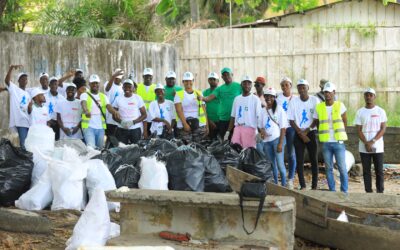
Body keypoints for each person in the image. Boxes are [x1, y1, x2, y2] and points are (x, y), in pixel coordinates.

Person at [314, 82, 348, 193]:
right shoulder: (319, 107)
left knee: (342, 168)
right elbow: (317, 122)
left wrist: (341, 134)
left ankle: (344, 192)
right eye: (325, 92)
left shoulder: (340, 105)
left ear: (334, 92)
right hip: (326, 143)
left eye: (329, 92)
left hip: (338, 142)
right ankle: (332, 191)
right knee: (328, 169)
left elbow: (344, 121)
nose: (327, 94)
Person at [288, 79, 319, 190]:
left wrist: (307, 131)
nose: (301, 90)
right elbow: (291, 120)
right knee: (299, 160)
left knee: (314, 160)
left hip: (311, 132)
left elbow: (316, 119)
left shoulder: (315, 100)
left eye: (303, 87)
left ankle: (314, 185)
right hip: (298, 132)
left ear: (308, 88)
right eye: (299, 87)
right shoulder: (293, 101)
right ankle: (303, 185)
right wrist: (301, 133)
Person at [355, 88, 387, 193]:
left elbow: (383, 128)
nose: (368, 97)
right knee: (366, 171)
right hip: (364, 147)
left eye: (371, 95)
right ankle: (368, 192)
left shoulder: (381, 111)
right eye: (366, 95)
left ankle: (380, 192)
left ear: (374, 97)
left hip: (377, 147)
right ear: (364, 97)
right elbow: (358, 130)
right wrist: (366, 143)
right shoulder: (360, 112)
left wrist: (372, 142)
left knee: (379, 171)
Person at [80, 74, 120, 149]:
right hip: (88, 127)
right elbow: (83, 104)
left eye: (96, 83)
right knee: (90, 148)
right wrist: (86, 111)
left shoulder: (103, 97)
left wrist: (115, 112)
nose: (95, 85)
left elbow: (109, 107)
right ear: (89, 84)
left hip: (100, 128)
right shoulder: (84, 95)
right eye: (93, 83)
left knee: (100, 149)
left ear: (99, 84)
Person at [202, 67, 241, 140]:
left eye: (228, 74)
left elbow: (246, 96)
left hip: (236, 119)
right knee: (223, 140)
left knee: (235, 141)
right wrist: (202, 98)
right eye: (224, 75)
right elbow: (209, 98)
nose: (226, 77)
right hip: (223, 120)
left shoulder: (239, 86)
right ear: (222, 77)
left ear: (232, 74)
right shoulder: (219, 89)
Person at [260, 87, 287, 186]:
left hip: (277, 140)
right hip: (267, 142)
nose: (268, 98)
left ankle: (284, 185)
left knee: (280, 165)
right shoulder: (262, 110)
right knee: (272, 165)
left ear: (274, 97)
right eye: (266, 96)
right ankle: (275, 184)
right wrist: (262, 131)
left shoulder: (279, 109)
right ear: (264, 97)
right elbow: (260, 126)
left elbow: (283, 128)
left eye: (271, 96)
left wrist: (280, 144)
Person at [228, 75, 262, 149]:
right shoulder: (237, 99)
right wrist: (228, 131)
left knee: (249, 153)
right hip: (237, 128)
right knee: (235, 150)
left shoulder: (255, 99)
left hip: (250, 129)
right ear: (241, 85)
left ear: (251, 85)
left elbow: (259, 117)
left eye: (249, 83)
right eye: (244, 83)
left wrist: (260, 132)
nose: (247, 85)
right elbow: (233, 116)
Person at [174, 72, 208, 143]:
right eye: (186, 81)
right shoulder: (178, 94)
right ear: (183, 82)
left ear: (193, 81)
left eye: (190, 80)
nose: (188, 83)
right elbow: (178, 110)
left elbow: (204, 110)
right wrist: (185, 124)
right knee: (186, 147)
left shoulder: (199, 93)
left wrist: (207, 126)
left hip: (199, 125)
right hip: (184, 126)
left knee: (198, 146)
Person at [3, 65, 31, 149]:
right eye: (22, 78)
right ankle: (25, 161)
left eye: (25, 79)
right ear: (18, 81)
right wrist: (11, 68)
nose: (24, 80)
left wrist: (30, 107)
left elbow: (29, 111)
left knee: (28, 143)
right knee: (23, 144)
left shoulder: (28, 94)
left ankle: (27, 161)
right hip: (20, 122)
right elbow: (7, 80)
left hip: (28, 122)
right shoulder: (14, 89)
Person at [276, 77, 297, 189]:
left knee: (291, 154)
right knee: (279, 151)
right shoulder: (278, 98)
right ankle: (281, 177)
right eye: (282, 85)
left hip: (292, 128)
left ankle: (290, 179)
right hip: (281, 128)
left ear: (290, 85)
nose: (284, 87)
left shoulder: (295, 99)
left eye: (286, 85)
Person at [113, 79, 147, 145]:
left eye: (129, 87)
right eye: (125, 87)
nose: (127, 89)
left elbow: (144, 115)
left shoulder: (138, 98)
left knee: (136, 149)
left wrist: (133, 122)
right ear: (122, 88)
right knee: (122, 150)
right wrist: (121, 122)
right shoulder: (118, 98)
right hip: (121, 129)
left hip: (135, 129)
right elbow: (114, 114)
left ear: (133, 88)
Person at [104, 68, 124, 146]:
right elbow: (107, 89)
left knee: (116, 138)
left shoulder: (123, 87)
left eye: (118, 78)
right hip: (109, 116)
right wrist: (113, 76)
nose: (116, 80)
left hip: (118, 117)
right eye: (115, 78)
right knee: (109, 136)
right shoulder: (108, 83)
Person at [136, 68, 156, 138]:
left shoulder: (155, 87)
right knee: (141, 135)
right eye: (146, 76)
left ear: (152, 76)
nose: (148, 78)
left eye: (149, 76)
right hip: (140, 115)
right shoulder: (137, 87)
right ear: (143, 76)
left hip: (152, 115)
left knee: (150, 135)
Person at [203, 72, 220, 140]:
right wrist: (209, 121)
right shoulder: (205, 92)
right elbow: (202, 108)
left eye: (214, 79)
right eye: (210, 79)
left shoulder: (221, 91)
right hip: (209, 121)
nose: (212, 81)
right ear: (208, 80)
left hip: (221, 121)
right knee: (210, 141)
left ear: (218, 81)